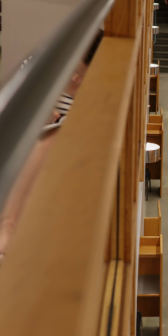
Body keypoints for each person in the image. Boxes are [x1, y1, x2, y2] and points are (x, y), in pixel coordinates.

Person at [0, 30, 104, 260]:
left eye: (81, 76)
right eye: (74, 72)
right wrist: (34, 113)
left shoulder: (91, 89)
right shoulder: (40, 64)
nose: (75, 80)